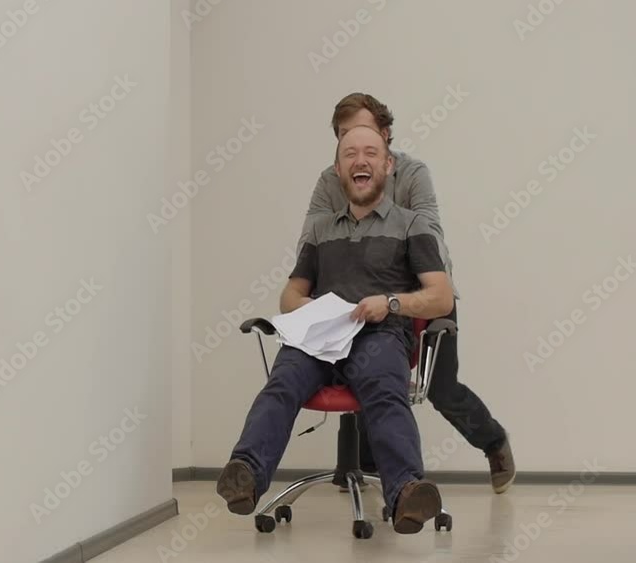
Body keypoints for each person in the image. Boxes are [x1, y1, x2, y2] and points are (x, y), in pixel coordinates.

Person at [217, 125, 453, 534]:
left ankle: (406, 493)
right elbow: (290, 294)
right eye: (350, 154)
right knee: (282, 382)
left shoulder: (412, 225)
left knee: (384, 388)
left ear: (388, 164)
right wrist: (314, 309)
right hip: (320, 338)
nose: (360, 161)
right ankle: (246, 476)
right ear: (338, 168)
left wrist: (389, 303)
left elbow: (441, 297)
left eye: (371, 153)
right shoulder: (321, 229)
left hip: (379, 335)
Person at [299, 93, 514, 493]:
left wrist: (396, 279)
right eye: (344, 135)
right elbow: (311, 236)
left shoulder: (413, 173)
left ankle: (493, 441)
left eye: (363, 131)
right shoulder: (330, 180)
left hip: (420, 294)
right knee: (369, 376)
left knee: (440, 388)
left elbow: (430, 234)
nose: (353, 143)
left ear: (384, 135)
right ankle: (370, 470)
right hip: (357, 298)